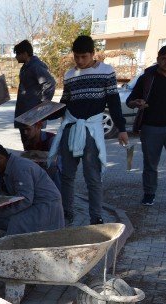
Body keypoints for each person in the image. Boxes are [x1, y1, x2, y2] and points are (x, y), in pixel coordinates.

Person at [47, 35, 129, 225]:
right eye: (76, 57)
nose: (80, 61)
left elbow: (114, 102)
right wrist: (43, 114)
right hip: (71, 128)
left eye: (84, 56)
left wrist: (122, 129)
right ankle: (67, 212)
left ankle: (96, 216)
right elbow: (64, 103)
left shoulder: (106, 71)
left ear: (93, 54)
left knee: (93, 176)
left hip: (92, 130)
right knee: (66, 174)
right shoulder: (69, 75)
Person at [0, 141, 64, 235]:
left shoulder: (20, 168)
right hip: (35, 203)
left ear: (0, 158)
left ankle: (19, 245)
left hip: (46, 206)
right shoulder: (5, 168)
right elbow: (4, 192)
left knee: (14, 221)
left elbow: (25, 199)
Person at [125, 44, 166, 206]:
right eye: (164, 58)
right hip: (151, 128)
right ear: (158, 60)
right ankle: (149, 194)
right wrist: (136, 102)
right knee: (150, 164)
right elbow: (129, 101)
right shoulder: (147, 78)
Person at [13, 39, 56, 145]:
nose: (16, 57)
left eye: (18, 54)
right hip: (25, 114)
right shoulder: (26, 67)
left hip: (33, 116)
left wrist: (43, 105)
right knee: (28, 147)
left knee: (35, 147)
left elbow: (50, 83)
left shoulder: (35, 66)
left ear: (25, 54)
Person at [21, 121, 62, 191]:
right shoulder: (28, 140)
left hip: (53, 176)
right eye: (24, 130)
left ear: (38, 127)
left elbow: (56, 163)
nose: (25, 132)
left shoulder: (51, 139)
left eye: (28, 129)